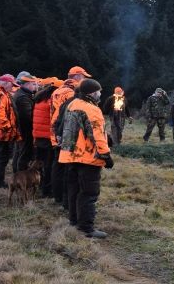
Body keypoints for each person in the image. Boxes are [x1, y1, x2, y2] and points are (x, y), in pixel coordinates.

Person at [58, 78, 114, 239]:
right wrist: (106, 155)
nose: (101, 94)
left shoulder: (73, 104)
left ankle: (74, 222)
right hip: (86, 157)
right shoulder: (92, 109)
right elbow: (97, 135)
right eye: (99, 91)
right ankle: (86, 228)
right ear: (92, 92)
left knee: (74, 190)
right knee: (89, 193)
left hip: (70, 156)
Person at [50, 66, 91, 208]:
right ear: (77, 77)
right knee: (67, 170)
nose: (85, 79)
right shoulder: (71, 93)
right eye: (84, 77)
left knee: (57, 166)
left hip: (56, 132)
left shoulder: (57, 90)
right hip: (66, 134)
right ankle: (65, 200)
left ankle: (57, 196)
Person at [32, 77, 59, 197]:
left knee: (39, 162)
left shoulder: (39, 98)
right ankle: (47, 190)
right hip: (48, 137)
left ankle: (38, 184)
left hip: (38, 136)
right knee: (48, 164)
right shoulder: (51, 101)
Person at [12, 74, 38, 173]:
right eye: (33, 84)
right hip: (25, 130)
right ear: (27, 84)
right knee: (24, 153)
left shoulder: (22, 94)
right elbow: (27, 117)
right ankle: (20, 174)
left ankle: (17, 172)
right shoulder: (23, 97)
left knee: (19, 152)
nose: (36, 86)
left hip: (21, 129)